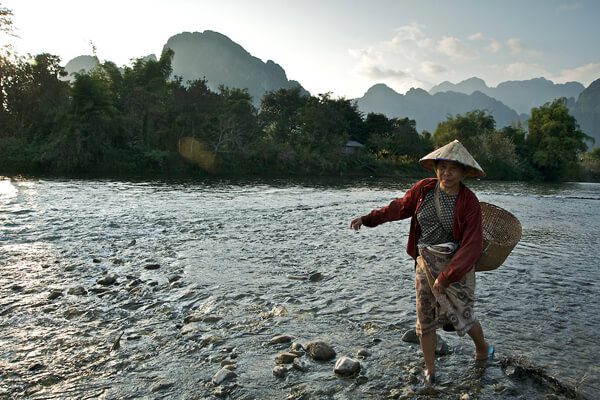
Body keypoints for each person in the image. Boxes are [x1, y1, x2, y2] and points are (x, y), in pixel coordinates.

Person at [350, 140, 494, 384]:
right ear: (435, 168)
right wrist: (367, 219)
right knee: (424, 315)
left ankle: (482, 349)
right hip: (425, 261)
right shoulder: (424, 189)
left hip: (455, 264)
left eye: (453, 168)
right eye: (442, 167)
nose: (446, 173)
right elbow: (397, 208)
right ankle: (430, 369)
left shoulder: (469, 202)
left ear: (463, 173)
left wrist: (448, 274)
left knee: (462, 312)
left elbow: (472, 245)